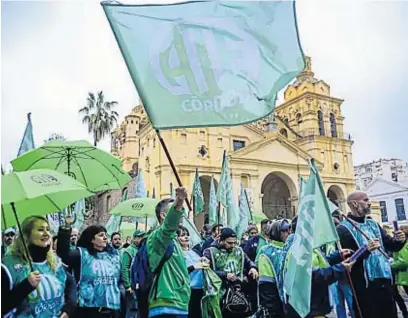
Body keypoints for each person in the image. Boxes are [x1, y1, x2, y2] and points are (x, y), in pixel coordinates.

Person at [337, 191, 406, 318]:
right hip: (365, 286)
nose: (369, 203)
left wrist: (399, 240)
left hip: (385, 281)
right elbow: (347, 260)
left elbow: (390, 245)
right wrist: (366, 251)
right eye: (366, 200)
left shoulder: (373, 224)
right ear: (354, 204)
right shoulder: (343, 229)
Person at [2, 216, 76, 317]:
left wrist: (68, 309)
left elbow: (71, 285)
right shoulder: (9, 265)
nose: (46, 233)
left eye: (48, 229)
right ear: (27, 235)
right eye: (41, 230)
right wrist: (25, 286)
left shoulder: (54, 261)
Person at [283, 216, 355, 318]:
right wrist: (340, 269)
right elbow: (314, 276)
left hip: (314, 307)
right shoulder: (300, 250)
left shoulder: (305, 245)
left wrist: (337, 255)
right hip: (308, 310)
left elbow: (320, 262)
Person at [57, 218, 121, 318]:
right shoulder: (82, 254)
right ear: (92, 239)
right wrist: (66, 229)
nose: (105, 238)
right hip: (87, 310)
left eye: (105, 235)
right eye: (100, 235)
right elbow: (64, 254)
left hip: (112, 309)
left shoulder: (114, 256)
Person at [145, 187, 191, 318]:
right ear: (164, 215)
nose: (181, 216)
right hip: (165, 302)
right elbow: (168, 226)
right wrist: (179, 201)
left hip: (178, 302)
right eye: (176, 212)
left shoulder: (174, 241)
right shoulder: (158, 237)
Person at [203, 227, 259, 318]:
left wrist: (253, 268)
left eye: (234, 242)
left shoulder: (238, 250)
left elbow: (248, 262)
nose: (232, 245)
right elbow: (207, 271)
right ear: (221, 240)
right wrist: (225, 275)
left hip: (238, 293)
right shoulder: (209, 252)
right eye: (229, 243)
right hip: (219, 294)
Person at [256, 219, 291, 318]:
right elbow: (266, 285)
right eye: (284, 231)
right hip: (276, 306)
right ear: (276, 232)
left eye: (289, 229)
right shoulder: (267, 252)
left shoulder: (292, 249)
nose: (288, 233)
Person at [177, 225, 209, 318]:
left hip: (200, 289)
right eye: (182, 235)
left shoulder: (195, 252)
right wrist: (193, 267)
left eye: (187, 234)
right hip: (185, 290)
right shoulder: (176, 254)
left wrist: (205, 261)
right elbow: (178, 273)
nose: (186, 237)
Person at [121, 230, 144, 318]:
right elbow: (125, 268)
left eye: (142, 237)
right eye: (139, 237)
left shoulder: (143, 249)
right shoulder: (129, 251)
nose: (141, 239)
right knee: (132, 309)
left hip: (140, 286)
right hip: (131, 286)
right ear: (134, 238)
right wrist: (127, 285)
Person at [391, 225, 408, 318]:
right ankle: (404, 313)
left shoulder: (405, 245)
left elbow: (403, 262)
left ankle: (405, 313)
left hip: (405, 276)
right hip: (402, 276)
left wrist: (389, 265)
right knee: (395, 295)